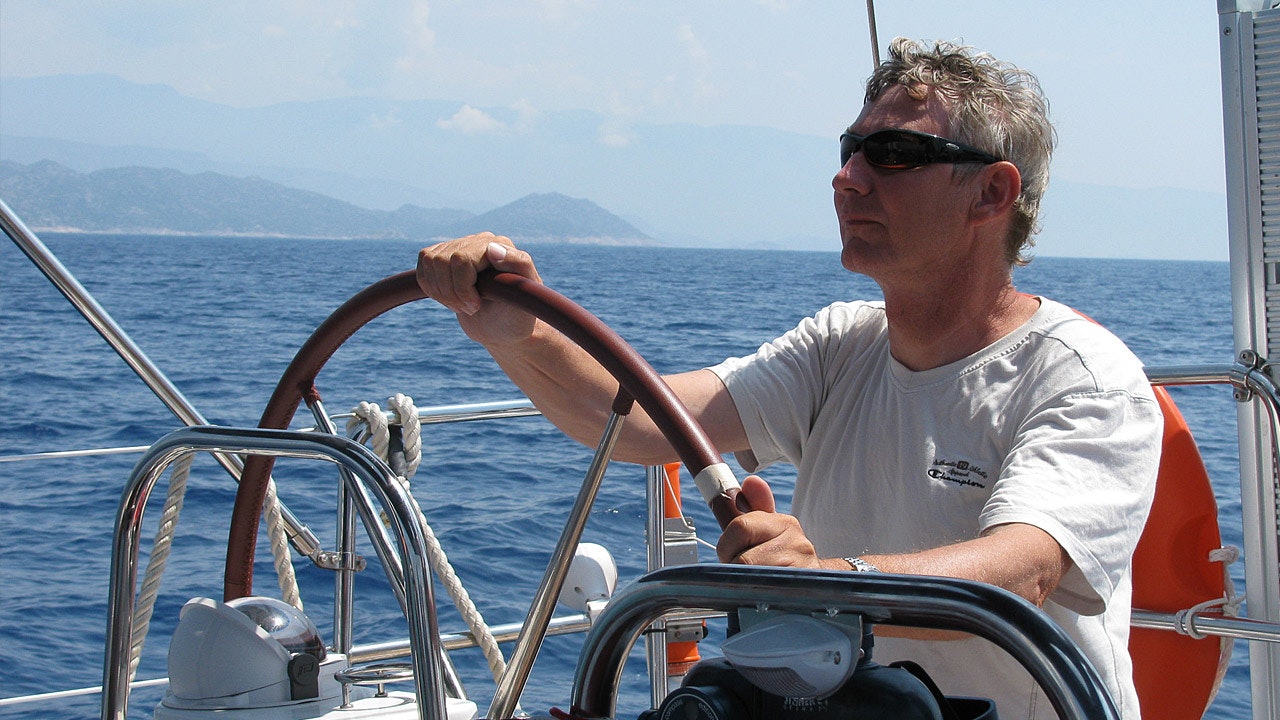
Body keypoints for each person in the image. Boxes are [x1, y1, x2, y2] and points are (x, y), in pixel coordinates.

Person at [416, 38, 1160, 720]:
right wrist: (514, 329)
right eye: (850, 150)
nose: (846, 179)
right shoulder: (839, 345)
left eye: (893, 154)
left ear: (992, 195)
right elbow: (639, 424)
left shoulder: (1084, 377)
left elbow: (1019, 571)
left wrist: (828, 582)